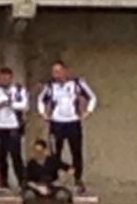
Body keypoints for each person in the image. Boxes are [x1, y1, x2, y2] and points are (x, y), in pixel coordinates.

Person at [38, 61, 96, 194]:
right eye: (54, 72)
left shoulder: (77, 84)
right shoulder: (50, 86)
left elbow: (92, 97)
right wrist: (43, 113)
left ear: (65, 71)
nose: (56, 75)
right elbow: (41, 99)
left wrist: (88, 111)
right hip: (56, 122)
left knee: (76, 152)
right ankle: (54, 179)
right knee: (54, 153)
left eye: (58, 71)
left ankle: (78, 180)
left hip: (73, 122)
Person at [0, 67, 29, 190]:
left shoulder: (19, 90)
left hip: (13, 125)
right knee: (1, 155)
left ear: (11, 78)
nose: (4, 80)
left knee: (15, 154)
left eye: (6, 77)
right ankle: (4, 181)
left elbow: (24, 105)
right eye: (2, 77)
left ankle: (22, 181)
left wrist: (11, 104)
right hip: (0, 125)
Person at [21, 139, 71, 204]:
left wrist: (63, 181)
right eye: (35, 151)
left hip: (52, 186)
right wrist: (38, 187)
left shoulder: (53, 161)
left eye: (40, 151)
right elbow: (28, 181)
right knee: (28, 196)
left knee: (62, 196)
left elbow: (70, 169)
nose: (38, 154)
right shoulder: (31, 163)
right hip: (36, 187)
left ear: (45, 151)